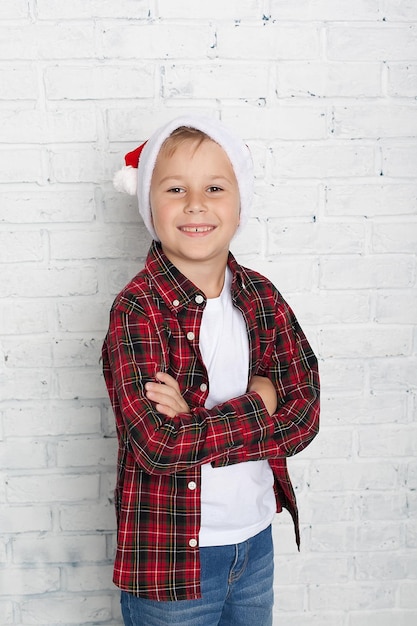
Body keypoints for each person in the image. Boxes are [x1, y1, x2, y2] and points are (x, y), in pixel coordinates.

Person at [102, 115, 320, 626]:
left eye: (215, 187)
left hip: (254, 543)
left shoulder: (262, 298)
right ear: (149, 206)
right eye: (175, 188)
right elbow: (158, 446)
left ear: (239, 204)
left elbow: (304, 415)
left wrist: (195, 424)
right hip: (172, 562)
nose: (196, 203)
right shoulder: (138, 310)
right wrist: (259, 404)